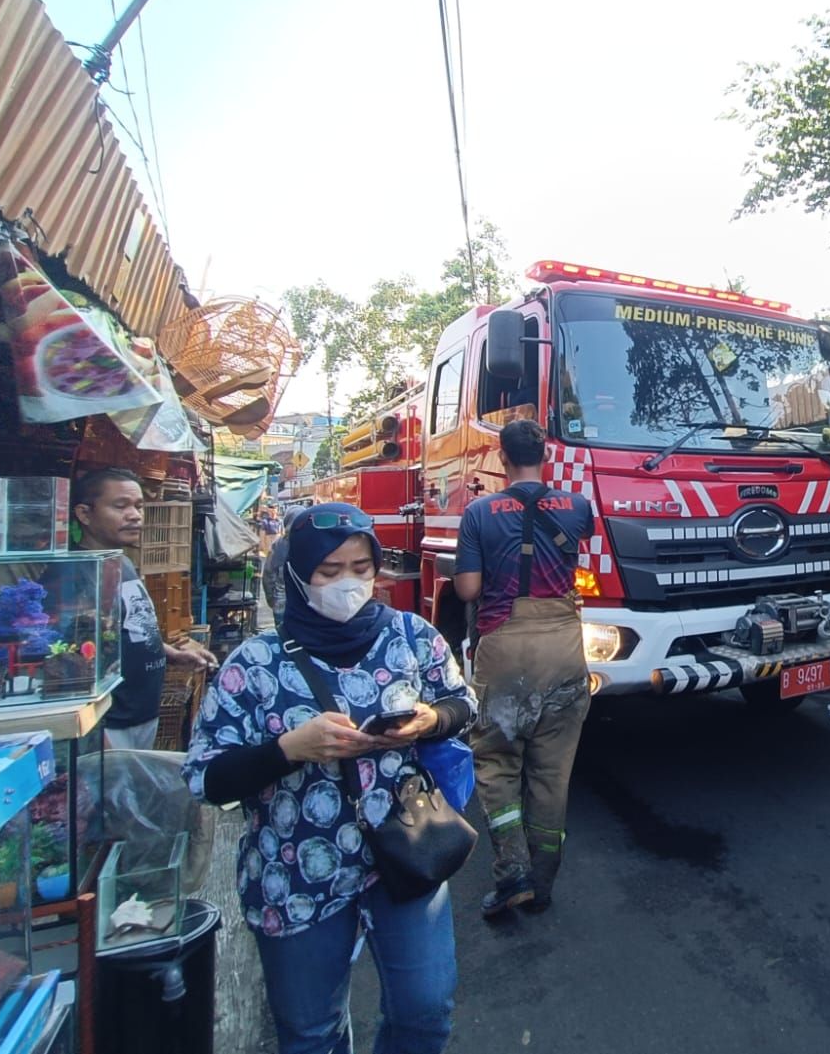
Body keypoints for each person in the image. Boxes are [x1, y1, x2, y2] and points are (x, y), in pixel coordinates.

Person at [182, 502, 477, 1054]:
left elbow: (463, 706)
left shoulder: (412, 636)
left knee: (426, 1013)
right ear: (297, 572)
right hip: (295, 876)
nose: (349, 583)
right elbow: (206, 779)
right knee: (311, 1033)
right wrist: (289, 749)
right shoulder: (254, 663)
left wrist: (428, 721)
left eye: (362, 568)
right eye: (329, 571)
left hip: (406, 855)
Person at [454, 418, 594, 918]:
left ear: (500, 457)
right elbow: (582, 564)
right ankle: (545, 882)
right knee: (552, 773)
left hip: (505, 647)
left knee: (496, 761)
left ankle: (512, 874)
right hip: (563, 647)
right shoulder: (577, 506)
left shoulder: (479, 511)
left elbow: (468, 589)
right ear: (547, 456)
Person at [72, 468, 216, 750]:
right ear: (84, 514)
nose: (135, 515)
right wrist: (94, 734)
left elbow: (132, 628)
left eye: (139, 506)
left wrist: (172, 653)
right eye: (120, 505)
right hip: (110, 724)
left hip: (141, 715)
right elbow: (72, 663)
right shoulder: (78, 574)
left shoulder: (121, 563)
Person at [261, 505, 302, 626]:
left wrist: (271, 600)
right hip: (306, 608)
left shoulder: (278, 545)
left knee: (283, 640)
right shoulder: (313, 542)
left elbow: (268, 575)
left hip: (281, 605)